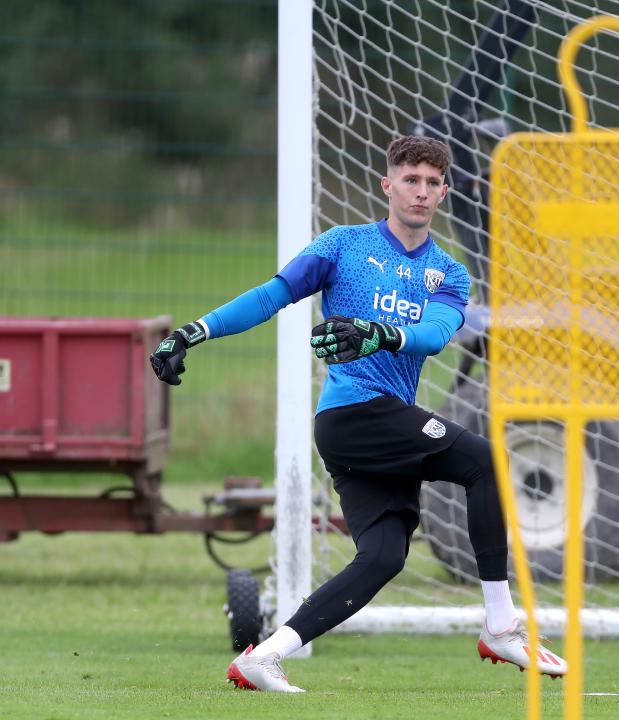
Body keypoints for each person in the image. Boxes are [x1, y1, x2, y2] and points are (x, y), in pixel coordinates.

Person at [149, 135, 567, 693]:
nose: (420, 191)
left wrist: (379, 334)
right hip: (353, 415)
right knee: (484, 461)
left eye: (431, 182)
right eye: (410, 179)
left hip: (381, 424)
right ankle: (501, 625)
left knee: (384, 556)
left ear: (444, 192)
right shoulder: (341, 245)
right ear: (386, 184)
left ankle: (263, 657)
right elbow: (269, 297)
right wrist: (191, 332)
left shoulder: (448, 273)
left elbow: (435, 337)